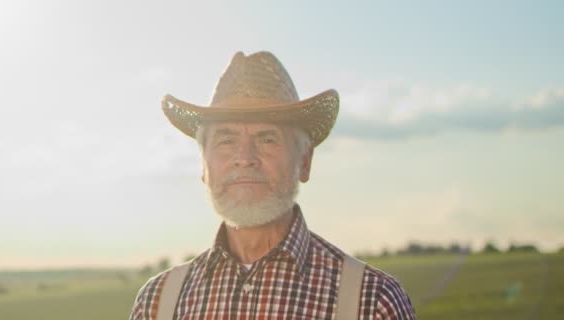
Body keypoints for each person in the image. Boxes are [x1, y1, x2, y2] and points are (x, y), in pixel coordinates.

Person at [129, 51, 416, 320]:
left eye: (266, 139)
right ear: (204, 166)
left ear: (304, 161)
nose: (245, 158)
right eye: (226, 140)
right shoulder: (156, 303)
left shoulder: (373, 302)